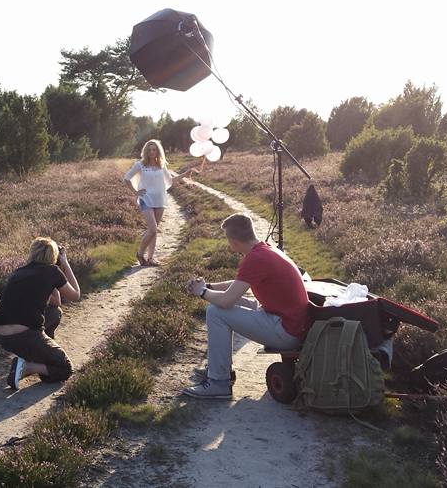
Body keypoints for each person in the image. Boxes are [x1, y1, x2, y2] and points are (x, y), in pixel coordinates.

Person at [182, 213, 310, 399]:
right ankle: (220, 369)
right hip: (292, 322)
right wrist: (209, 287)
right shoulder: (265, 250)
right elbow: (238, 283)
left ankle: (219, 382)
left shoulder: (255, 259)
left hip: (286, 331)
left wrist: (201, 292)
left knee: (216, 311)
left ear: (233, 241)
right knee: (231, 304)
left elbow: (226, 301)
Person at [0, 237, 82, 390]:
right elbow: (76, 295)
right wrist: (65, 263)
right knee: (65, 368)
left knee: (55, 313)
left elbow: (56, 303)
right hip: (25, 335)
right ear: (53, 255)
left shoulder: (19, 272)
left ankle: (38, 356)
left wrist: (52, 282)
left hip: (3, 336)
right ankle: (28, 367)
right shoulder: (52, 271)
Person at [123, 140, 196, 266]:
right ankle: (140, 254)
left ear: (158, 151)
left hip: (160, 199)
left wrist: (184, 174)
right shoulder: (140, 165)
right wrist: (135, 192)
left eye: (154, 149)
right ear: (146, 151)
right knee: (152, 229)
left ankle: (150, 258)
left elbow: (170, 181)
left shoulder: (161, 165)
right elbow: (127, 178)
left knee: (154, 231)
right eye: (149, 150)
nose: (152, 152)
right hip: (146, 199)